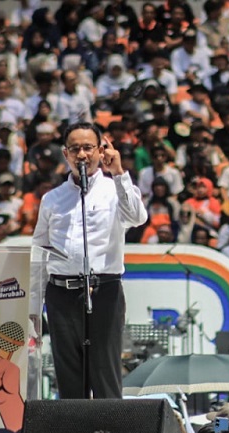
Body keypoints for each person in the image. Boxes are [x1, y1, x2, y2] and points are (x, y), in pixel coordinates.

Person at [32, 122, 147, 399]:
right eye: (75, 149)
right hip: (60, 293)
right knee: (69, 377)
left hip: (103, 290)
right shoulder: (52, 198)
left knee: (105, 373)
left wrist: (118, 172)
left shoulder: (113, 188)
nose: (81, 155)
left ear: (101, 150)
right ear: (65, 154)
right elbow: (40, 250)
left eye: (88, 147)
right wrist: (33, 306)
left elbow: (136, 217)